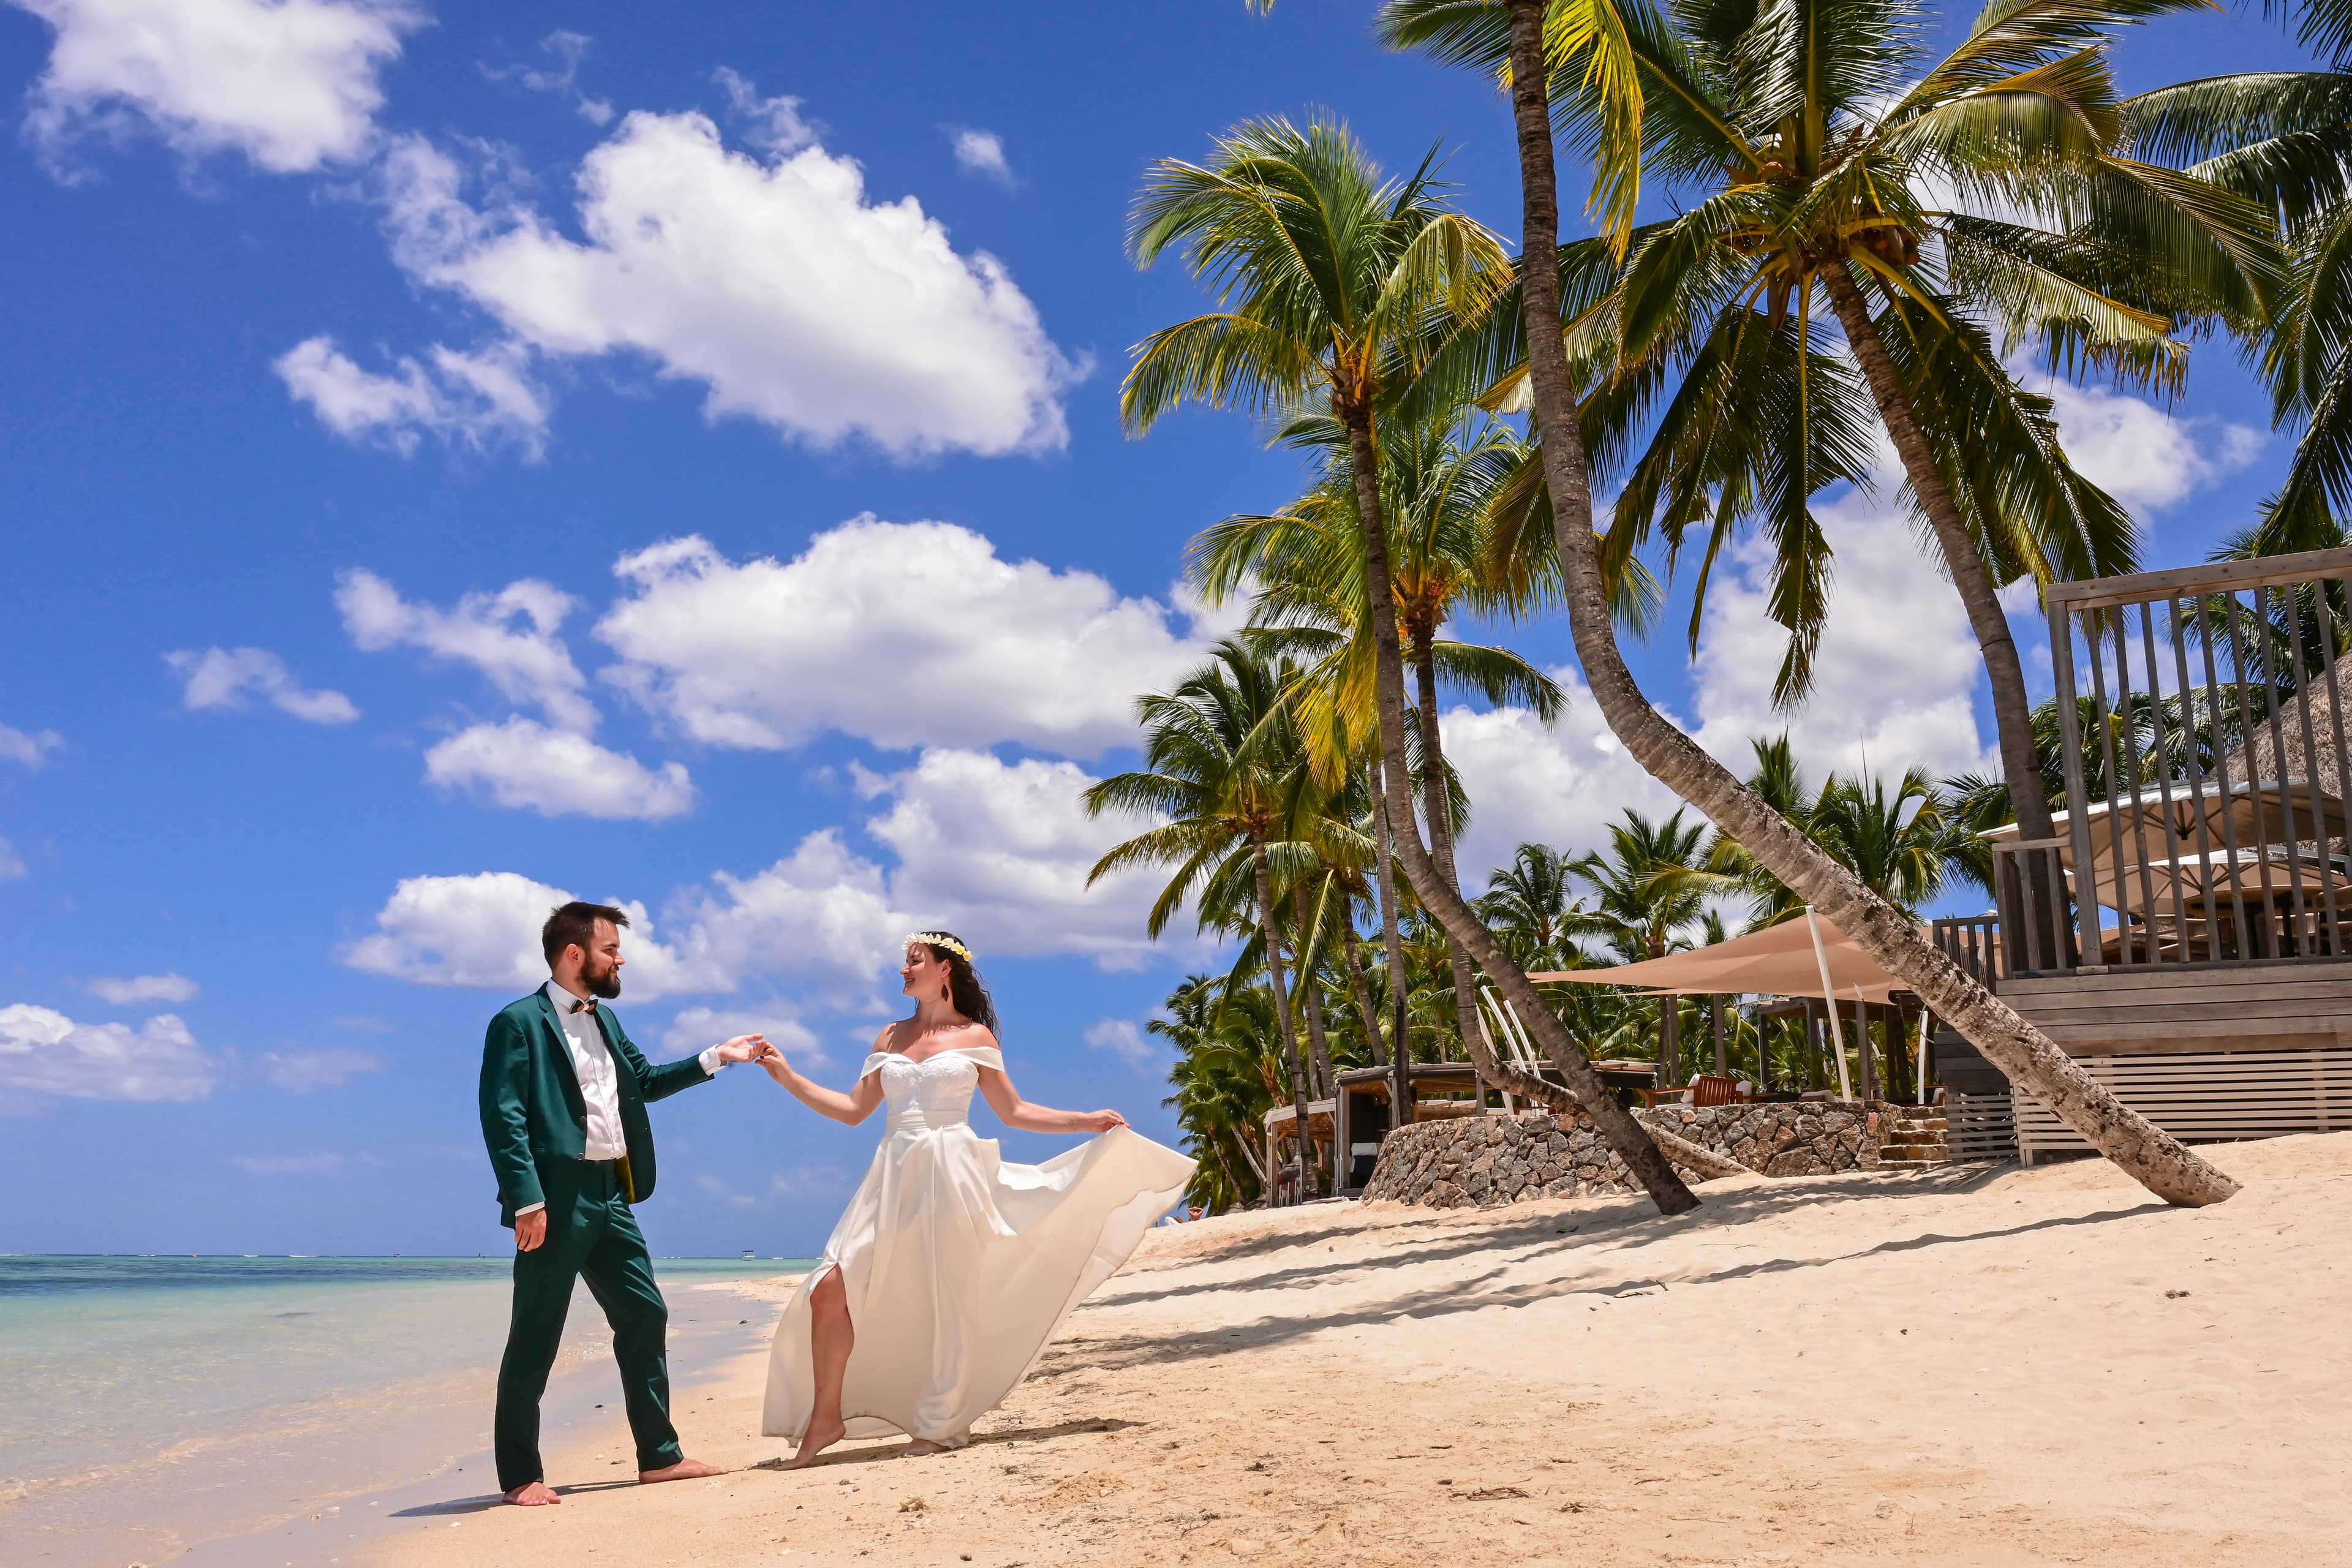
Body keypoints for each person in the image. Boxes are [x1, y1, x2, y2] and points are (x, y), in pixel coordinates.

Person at [754, 930, 1194, 1467]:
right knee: (829, 1287)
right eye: (904, 962)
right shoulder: (889, 1036)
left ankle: (940, 1424)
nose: (903, 970)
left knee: (948, 1299)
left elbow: (1014, 1112)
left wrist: (1087, 1120)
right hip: (892, 1175)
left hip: (952, 1173)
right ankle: (827, 1417)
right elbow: (852, 1109)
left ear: (944, 970)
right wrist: (786, 1076)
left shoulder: (975, 1035)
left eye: (913, 961)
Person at [478, 899, 771, 1507]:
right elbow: (503, 1117)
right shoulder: (518, 1022)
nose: (621, 959)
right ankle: (521, 1476)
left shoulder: (606, 1022)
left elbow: (647, 1082)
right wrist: (527, 1199)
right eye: (611, 949)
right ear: (574, 954)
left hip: (613, 1194)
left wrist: (717, 1056)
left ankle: (659, 1457)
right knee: (536, 1335)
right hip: (554, 1200)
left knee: (644, 1314)